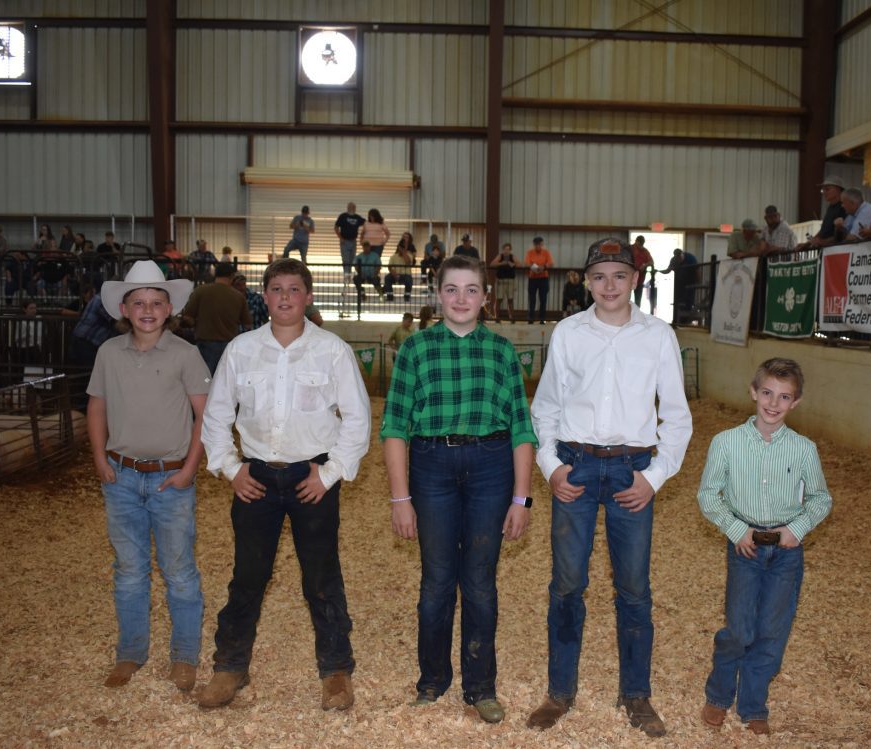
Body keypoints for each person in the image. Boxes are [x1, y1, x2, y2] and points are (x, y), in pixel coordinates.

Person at [527, 238, 693, 738]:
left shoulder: (658, 336)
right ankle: (560, 692)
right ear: (586, 281)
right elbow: (546, 407)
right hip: (575, 467)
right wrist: (551, 466)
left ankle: (636, 694)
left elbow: (678, 417)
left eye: (619, 275)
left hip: (631, 472)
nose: (609, 285)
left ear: (635, 279)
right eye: (599, 276)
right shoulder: (569, 333)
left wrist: (654, 477)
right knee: (567, 584)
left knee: (634, 589)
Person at [197, 258, 371, 712]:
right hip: (255, 477)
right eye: (277, 289)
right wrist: (231, 469)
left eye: (295, 289)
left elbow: (357, 420)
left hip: (311, 477)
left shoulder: (332, 350)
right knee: (247, 577)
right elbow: (216, 417)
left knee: (321, 577)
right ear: (265, 297)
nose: (286, 298)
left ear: (308, 296)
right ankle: (229, 667)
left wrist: (329, 474)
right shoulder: (241, 350)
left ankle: (336, 671)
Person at [380, 254, 536, 725]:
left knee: (481, 582)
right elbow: (394, 427)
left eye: (471, 290)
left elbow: (521, 429)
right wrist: (400, 497)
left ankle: (480, 686)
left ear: (485, 297)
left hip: (491, 467)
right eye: (452, 289)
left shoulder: (503, 351)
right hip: (432, 467)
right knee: (437, 580)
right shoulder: (415, 349)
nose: (462, 298)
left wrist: (521, 497)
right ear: (437, 295)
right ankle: (431, 680)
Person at [86, 260, 208, 692]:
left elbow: (203, 416)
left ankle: (184, 655)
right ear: (124, 308)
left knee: (179, 570)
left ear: (169, 307)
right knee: (129, 569)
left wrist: (190, 470)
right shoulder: (107, 354)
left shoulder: (185, 354)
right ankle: (131, 653)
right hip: (121, 476)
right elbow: (97, 406)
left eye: (157, 302)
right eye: (139, 302)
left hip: (170, 479)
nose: (148, 309)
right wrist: (100, 458)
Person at [697, 358, 832, 736]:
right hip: (746, 548)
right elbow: (709, 495)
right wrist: (736, 529)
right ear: (754, 392)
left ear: (796, 402)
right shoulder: (726, 443)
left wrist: (798, 527)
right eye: (768, 393)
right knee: (739, 629)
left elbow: (820, 499)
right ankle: (720, 694)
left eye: (784, 397)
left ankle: (753, 704)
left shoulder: (804, 449)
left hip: (786, 552)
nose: (773, 404)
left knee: (773, 631)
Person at [179, 261, 251, 375]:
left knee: (205, 379)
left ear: (215, 274)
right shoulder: (238, 297)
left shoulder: (200, 291)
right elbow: (248, 325)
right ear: (232, 276)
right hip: (229, 345)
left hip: (204, 343)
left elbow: (188, 317)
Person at [808, 176, 848, 247]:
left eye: (827, 189)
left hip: (836, 250)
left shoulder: (844, 207)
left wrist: (822, 242)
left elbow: (843, 234)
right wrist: (808, 243)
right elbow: (824, 230)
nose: (824, 193)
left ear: (838, 190)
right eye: (822, 190)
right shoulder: (830, 207)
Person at [524, 236, 553, 324]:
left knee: (543, 299)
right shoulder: (530, 253)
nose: (538, 246)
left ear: (542, 244)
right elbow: (527, 263)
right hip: (532, 278)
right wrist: (534, 268)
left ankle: (542, 319)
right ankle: (531, 318)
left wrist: (543, 267)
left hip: (543, 278)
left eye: (539, 244)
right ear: (534, 244)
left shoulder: (546, 252)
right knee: (532, 299)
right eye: (536, 245)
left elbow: (551, 263)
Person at [489, 242, 518, 322]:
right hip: (500, 280)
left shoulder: (513, 257)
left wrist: (511, 263)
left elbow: (519, 264)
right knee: (499, 299)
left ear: (510, 250)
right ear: (503, 250)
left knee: (510, 299)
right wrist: (502, 263)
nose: (506, 251)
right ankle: (496, 317)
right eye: (505, 249)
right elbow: (492, 264)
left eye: (508, 249)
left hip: (510, 280)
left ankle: (511, 317)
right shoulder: (500, 256)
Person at [334, 202, 364, 275]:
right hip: (345, 241)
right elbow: (336, 227)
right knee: (346, 259)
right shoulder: (343, 216)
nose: (352, 208)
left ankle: (349, 274)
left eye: (353, 207)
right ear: (348, 208)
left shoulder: (357, 217)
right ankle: (346, 275)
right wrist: (340, 237)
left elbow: (366, 224)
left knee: (352, 259)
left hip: (353, 241)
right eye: (350, 207)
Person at [352, 242, 382, 308]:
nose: (366, 248)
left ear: (370, 247)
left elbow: (379, 266)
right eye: (365, 247)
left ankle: (380, 293)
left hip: (372, 275)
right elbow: (356, 265)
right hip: (362, 275)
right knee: (356, 279)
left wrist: (375, 274)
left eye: (367, 246)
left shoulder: (375, 255)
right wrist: (360, 273)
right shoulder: (359, 256)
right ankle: (362, 293)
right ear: (363, 247)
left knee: (376, 280)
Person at [629, 236, 654, 305]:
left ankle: (637, 312)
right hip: (628, 279)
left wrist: (645, 265)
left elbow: (651, 262)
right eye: (640, 244)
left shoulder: (645, 251)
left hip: (640, 279)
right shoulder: (629, 249)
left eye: (642, 244)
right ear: (636, 241)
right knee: (626, 298)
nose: (641, 246)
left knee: (638, 300)